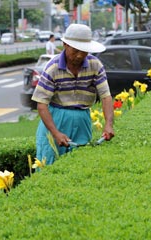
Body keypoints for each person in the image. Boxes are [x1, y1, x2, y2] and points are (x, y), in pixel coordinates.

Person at [32, 24, 115, 165]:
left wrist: (108, 124)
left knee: (80, 163)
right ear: (65, 45)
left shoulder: (95, 65)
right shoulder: (52, 67)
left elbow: (105, 96)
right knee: (50, 163)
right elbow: (41, 105)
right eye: (75, 51)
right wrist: (55, 133)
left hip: (82, 119)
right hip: (56, 118)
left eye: (84, 51)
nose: (79, 55)